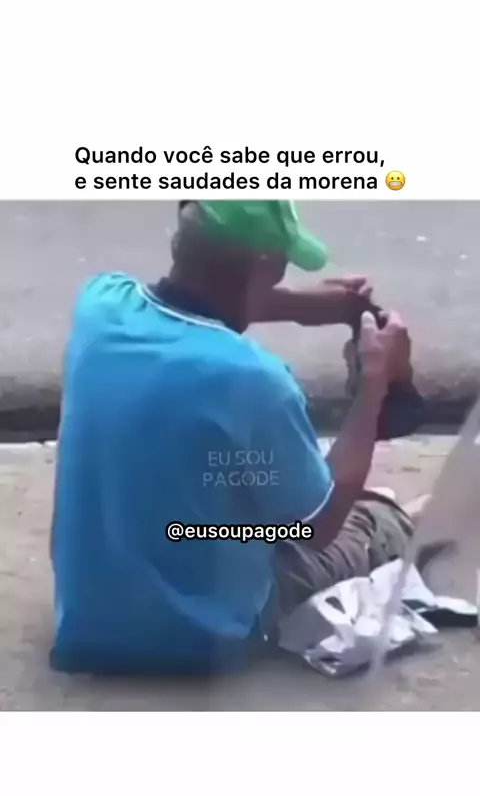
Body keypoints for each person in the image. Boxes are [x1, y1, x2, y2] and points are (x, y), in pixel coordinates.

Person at [50, 200, 413, 675]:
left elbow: (201, 293)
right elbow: (318, 529)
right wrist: (374, 383)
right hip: (201, 634)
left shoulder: (98, 305)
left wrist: (308, 307)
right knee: (371, 517)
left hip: (91, 622)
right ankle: (403, 519)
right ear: (261, 265)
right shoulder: (255, 379)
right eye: (278, 269)